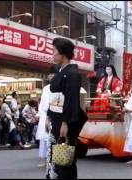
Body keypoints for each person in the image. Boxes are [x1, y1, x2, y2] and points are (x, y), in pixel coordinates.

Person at [46, 38, 87, 179]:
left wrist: (65, 122)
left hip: (65, 121)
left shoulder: (72, 74)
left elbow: (71, 100)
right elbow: (54, 98)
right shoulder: (62, 71)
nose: (52, 55)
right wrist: (48, 116)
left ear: (62, 54)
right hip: (56, 119)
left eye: (54, 51)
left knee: (65, 159)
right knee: (55, 156)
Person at [36, 65, 59, 168]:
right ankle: (45, 160)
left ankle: (53, 160)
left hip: (53, 115)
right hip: (44, 115)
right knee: (44, 139)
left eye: (52, 75)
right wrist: (39, 114)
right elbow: (42, 103)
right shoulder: (46, 88)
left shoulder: (59, 87)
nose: (50, 77)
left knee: (52, 138)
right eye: (49, 75)